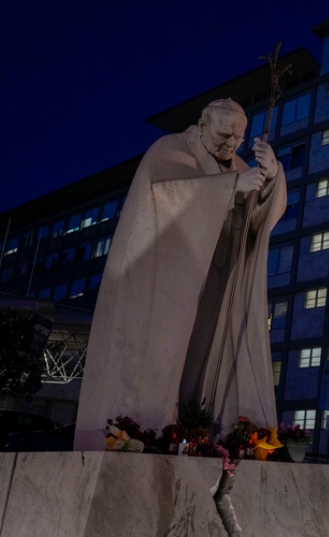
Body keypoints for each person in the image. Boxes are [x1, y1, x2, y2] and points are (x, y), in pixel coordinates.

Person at [74, 99, 285, 451]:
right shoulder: (170, 148)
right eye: (222, 135)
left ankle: (198, 431)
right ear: (202, 125)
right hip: (172, 281)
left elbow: (257, 219)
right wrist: (233, 184)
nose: (230, 145)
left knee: (202, 359)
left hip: (217, 277)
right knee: (167, 354)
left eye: (237, 138)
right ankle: (145, 433)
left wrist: (272, 175)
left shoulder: (236, 163)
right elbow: (163, 195)